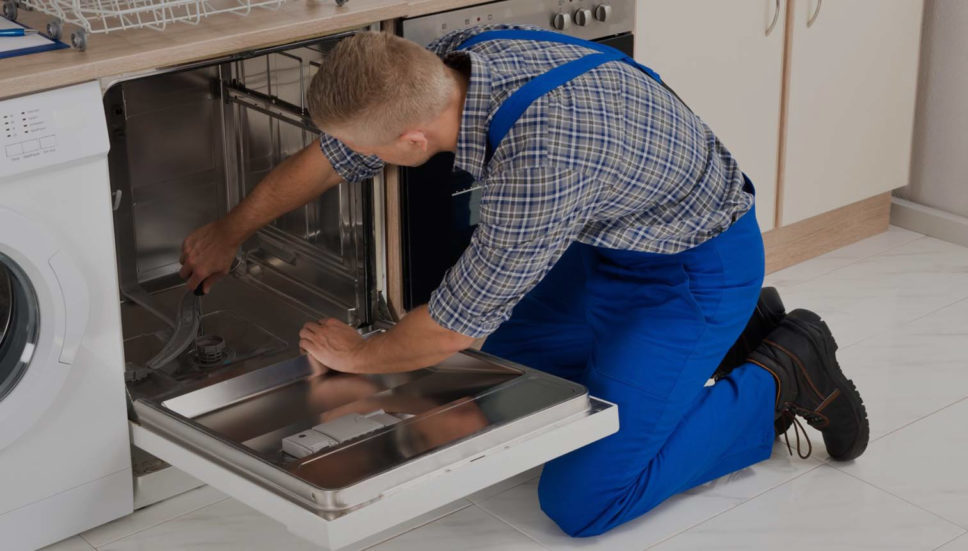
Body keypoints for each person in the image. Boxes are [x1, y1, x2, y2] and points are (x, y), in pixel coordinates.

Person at [179, 27, 869, 537]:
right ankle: (727, 341)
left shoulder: (538, 165)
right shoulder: (453, 60)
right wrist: (229, 231)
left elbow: (451, 326)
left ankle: (782, 370)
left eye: (370, 152)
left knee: (585, 498)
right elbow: (327, 160)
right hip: (613, 238)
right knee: (497, 372)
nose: (356, 159)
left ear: (412, 144)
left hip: (693, 271)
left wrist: (357, 352)